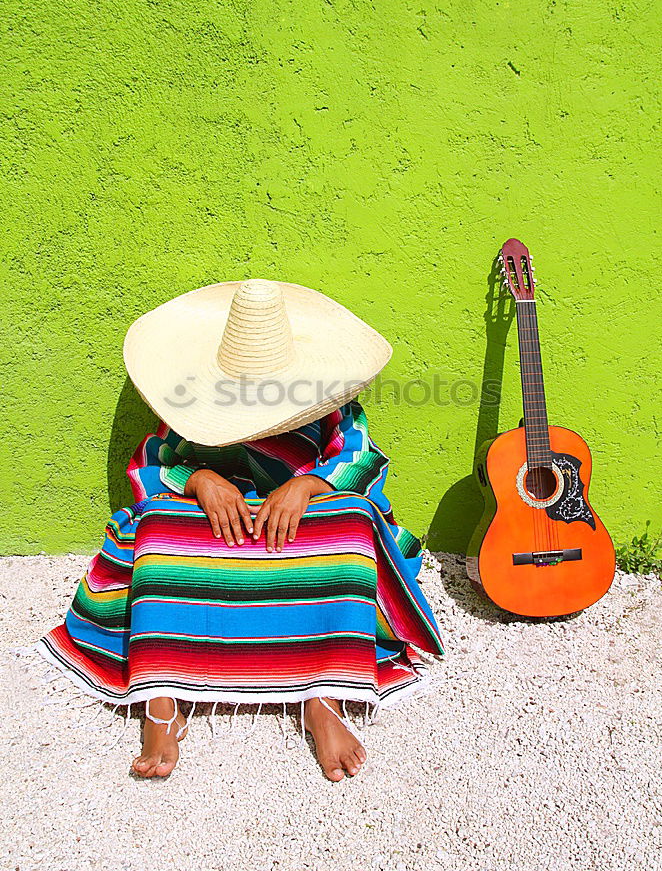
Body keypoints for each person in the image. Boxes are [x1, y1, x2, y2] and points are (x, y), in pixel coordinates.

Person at [32, 278, 446, 782]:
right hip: (214, 525)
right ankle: (162, 696)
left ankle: (323, 695)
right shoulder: (188, 402)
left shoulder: (334, 406)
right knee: (158, 528)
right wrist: (200, 478)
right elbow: (150, 465)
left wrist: (310, 485)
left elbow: (363, 463)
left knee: (355, 525)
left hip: (298, 525)